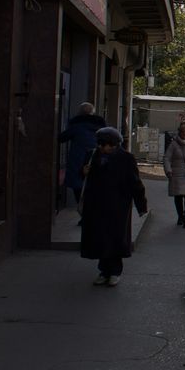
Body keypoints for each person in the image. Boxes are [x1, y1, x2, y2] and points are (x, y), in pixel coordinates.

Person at [80, 127, 147, 286]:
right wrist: (83, 171)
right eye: (102, 145)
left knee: (115, 238)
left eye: (108, 145)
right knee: (100, 238)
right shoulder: (92, 155)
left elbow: (135, 183)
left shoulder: (126, 159)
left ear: (116, 144)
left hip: (118, 205)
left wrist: (141, 205)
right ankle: (104, 270)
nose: (105, 148)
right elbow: (83, 176)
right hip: (96, 204)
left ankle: (115, 271)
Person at [58, 102, 106, 204]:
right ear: (93, 113)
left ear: (79, 113)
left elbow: (61, 138)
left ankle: (85, 216)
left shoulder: (76, 126)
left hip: (77, 165)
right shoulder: (101, 128)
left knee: (80, 196)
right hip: (97, 165)